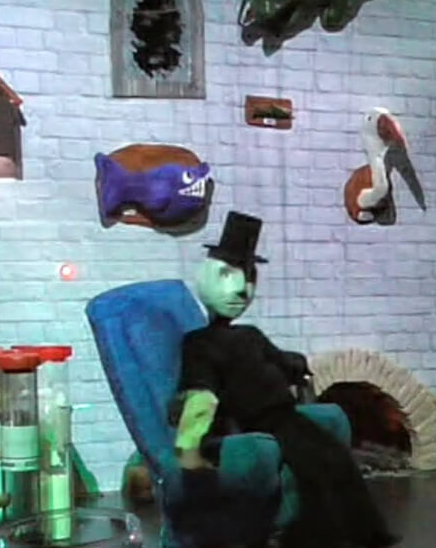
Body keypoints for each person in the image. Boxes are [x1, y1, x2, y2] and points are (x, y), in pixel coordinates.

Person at [171, 210, 400, 548]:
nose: (241, 289)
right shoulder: (198, 343)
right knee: (316, 467)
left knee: (336, 458)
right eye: (229, 274)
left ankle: (365, 536)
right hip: (258, 423)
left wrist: (297, 363)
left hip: (287, 416)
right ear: (209, 276)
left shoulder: (249, 334)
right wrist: (189, 445)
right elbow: (200, 388)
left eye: (249, 276)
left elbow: (279, 359)